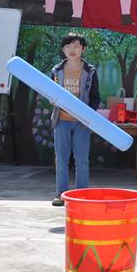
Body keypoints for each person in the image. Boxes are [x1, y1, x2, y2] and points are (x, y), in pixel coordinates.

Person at [49, 33, 100, 206]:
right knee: (61, 159)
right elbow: (50, 92)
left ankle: (82, 195)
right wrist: (52, 100)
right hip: (61, 121)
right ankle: (61, 194)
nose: (72, 50)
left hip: (82, 123)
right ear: (63, 50)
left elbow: (95, 97)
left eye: (76, 46)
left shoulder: (90, 71)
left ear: (83, 49)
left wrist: (87, 114)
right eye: (68, 46)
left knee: (82, 160)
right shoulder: (56, 71)